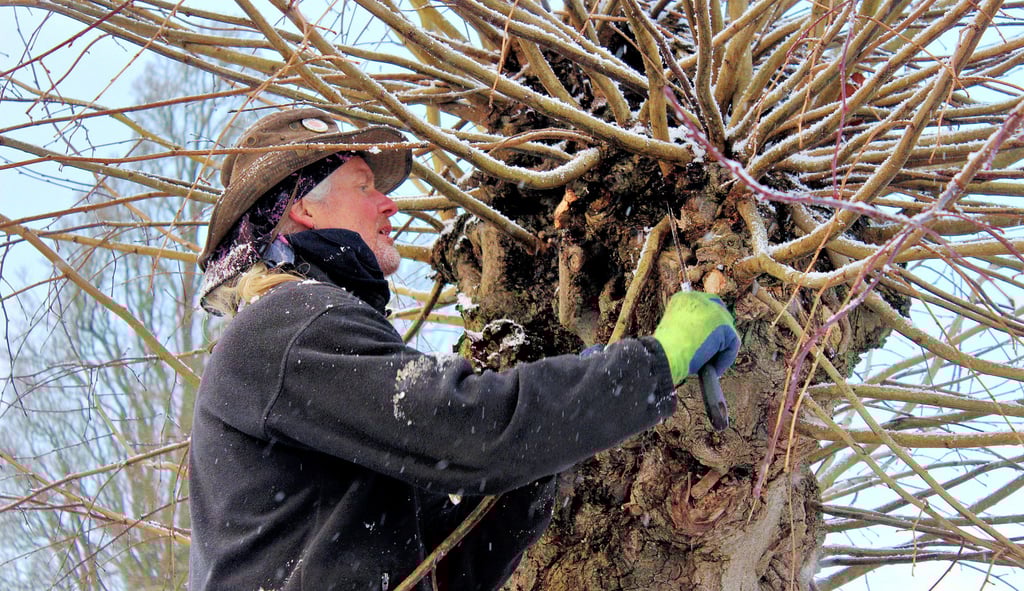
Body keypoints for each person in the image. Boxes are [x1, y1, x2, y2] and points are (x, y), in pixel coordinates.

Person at [188, 107, 740, 591]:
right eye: (364, 186)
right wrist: (654, 362)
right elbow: (471, 428)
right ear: (303, 210)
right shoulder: (291, 323)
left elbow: (448, 567)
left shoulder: (304, 342)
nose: (388, 205)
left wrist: (543, 448)